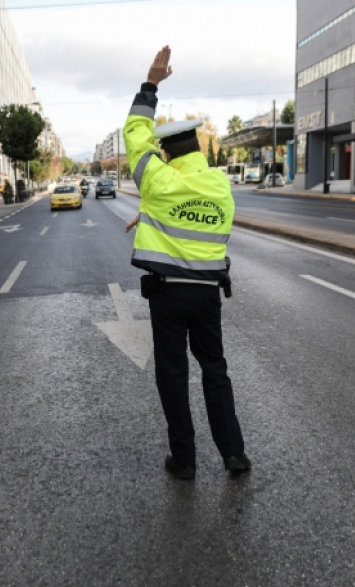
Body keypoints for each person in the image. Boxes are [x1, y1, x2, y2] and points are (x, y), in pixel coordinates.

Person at [125, 46, 250, 479]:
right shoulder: (219, 186)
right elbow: (194, 215)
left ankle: (185, 460)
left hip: (168, 295)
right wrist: (149, 213)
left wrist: (150, 85)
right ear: (198, 148)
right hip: (208, 294)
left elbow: (134, 134)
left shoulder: (157, 181)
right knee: (215, 371)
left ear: (166, 154)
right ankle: (234, 453)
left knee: (173, 375)